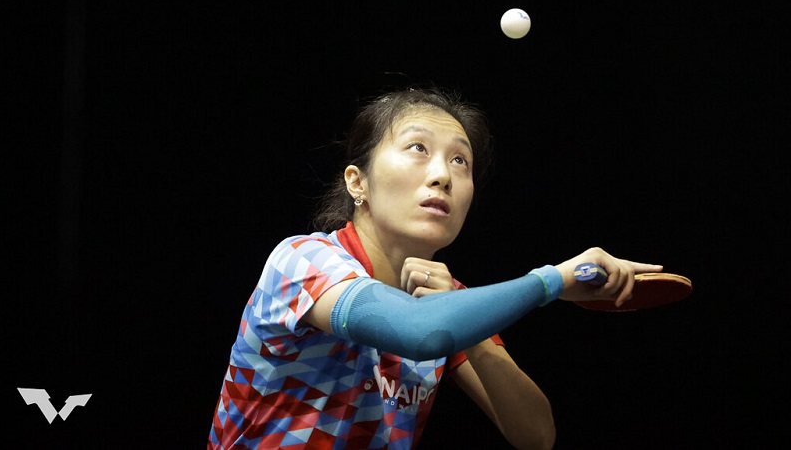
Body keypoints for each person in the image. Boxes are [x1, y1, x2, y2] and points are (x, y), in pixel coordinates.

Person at [208, 87, 662, 450]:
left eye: (459, 160)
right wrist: (553, 281)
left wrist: (474, 331)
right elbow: (421, 332)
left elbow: (536, 434)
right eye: (417, 148)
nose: (442, 174)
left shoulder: (446, 301)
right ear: (357, 182)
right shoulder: (303, 260)